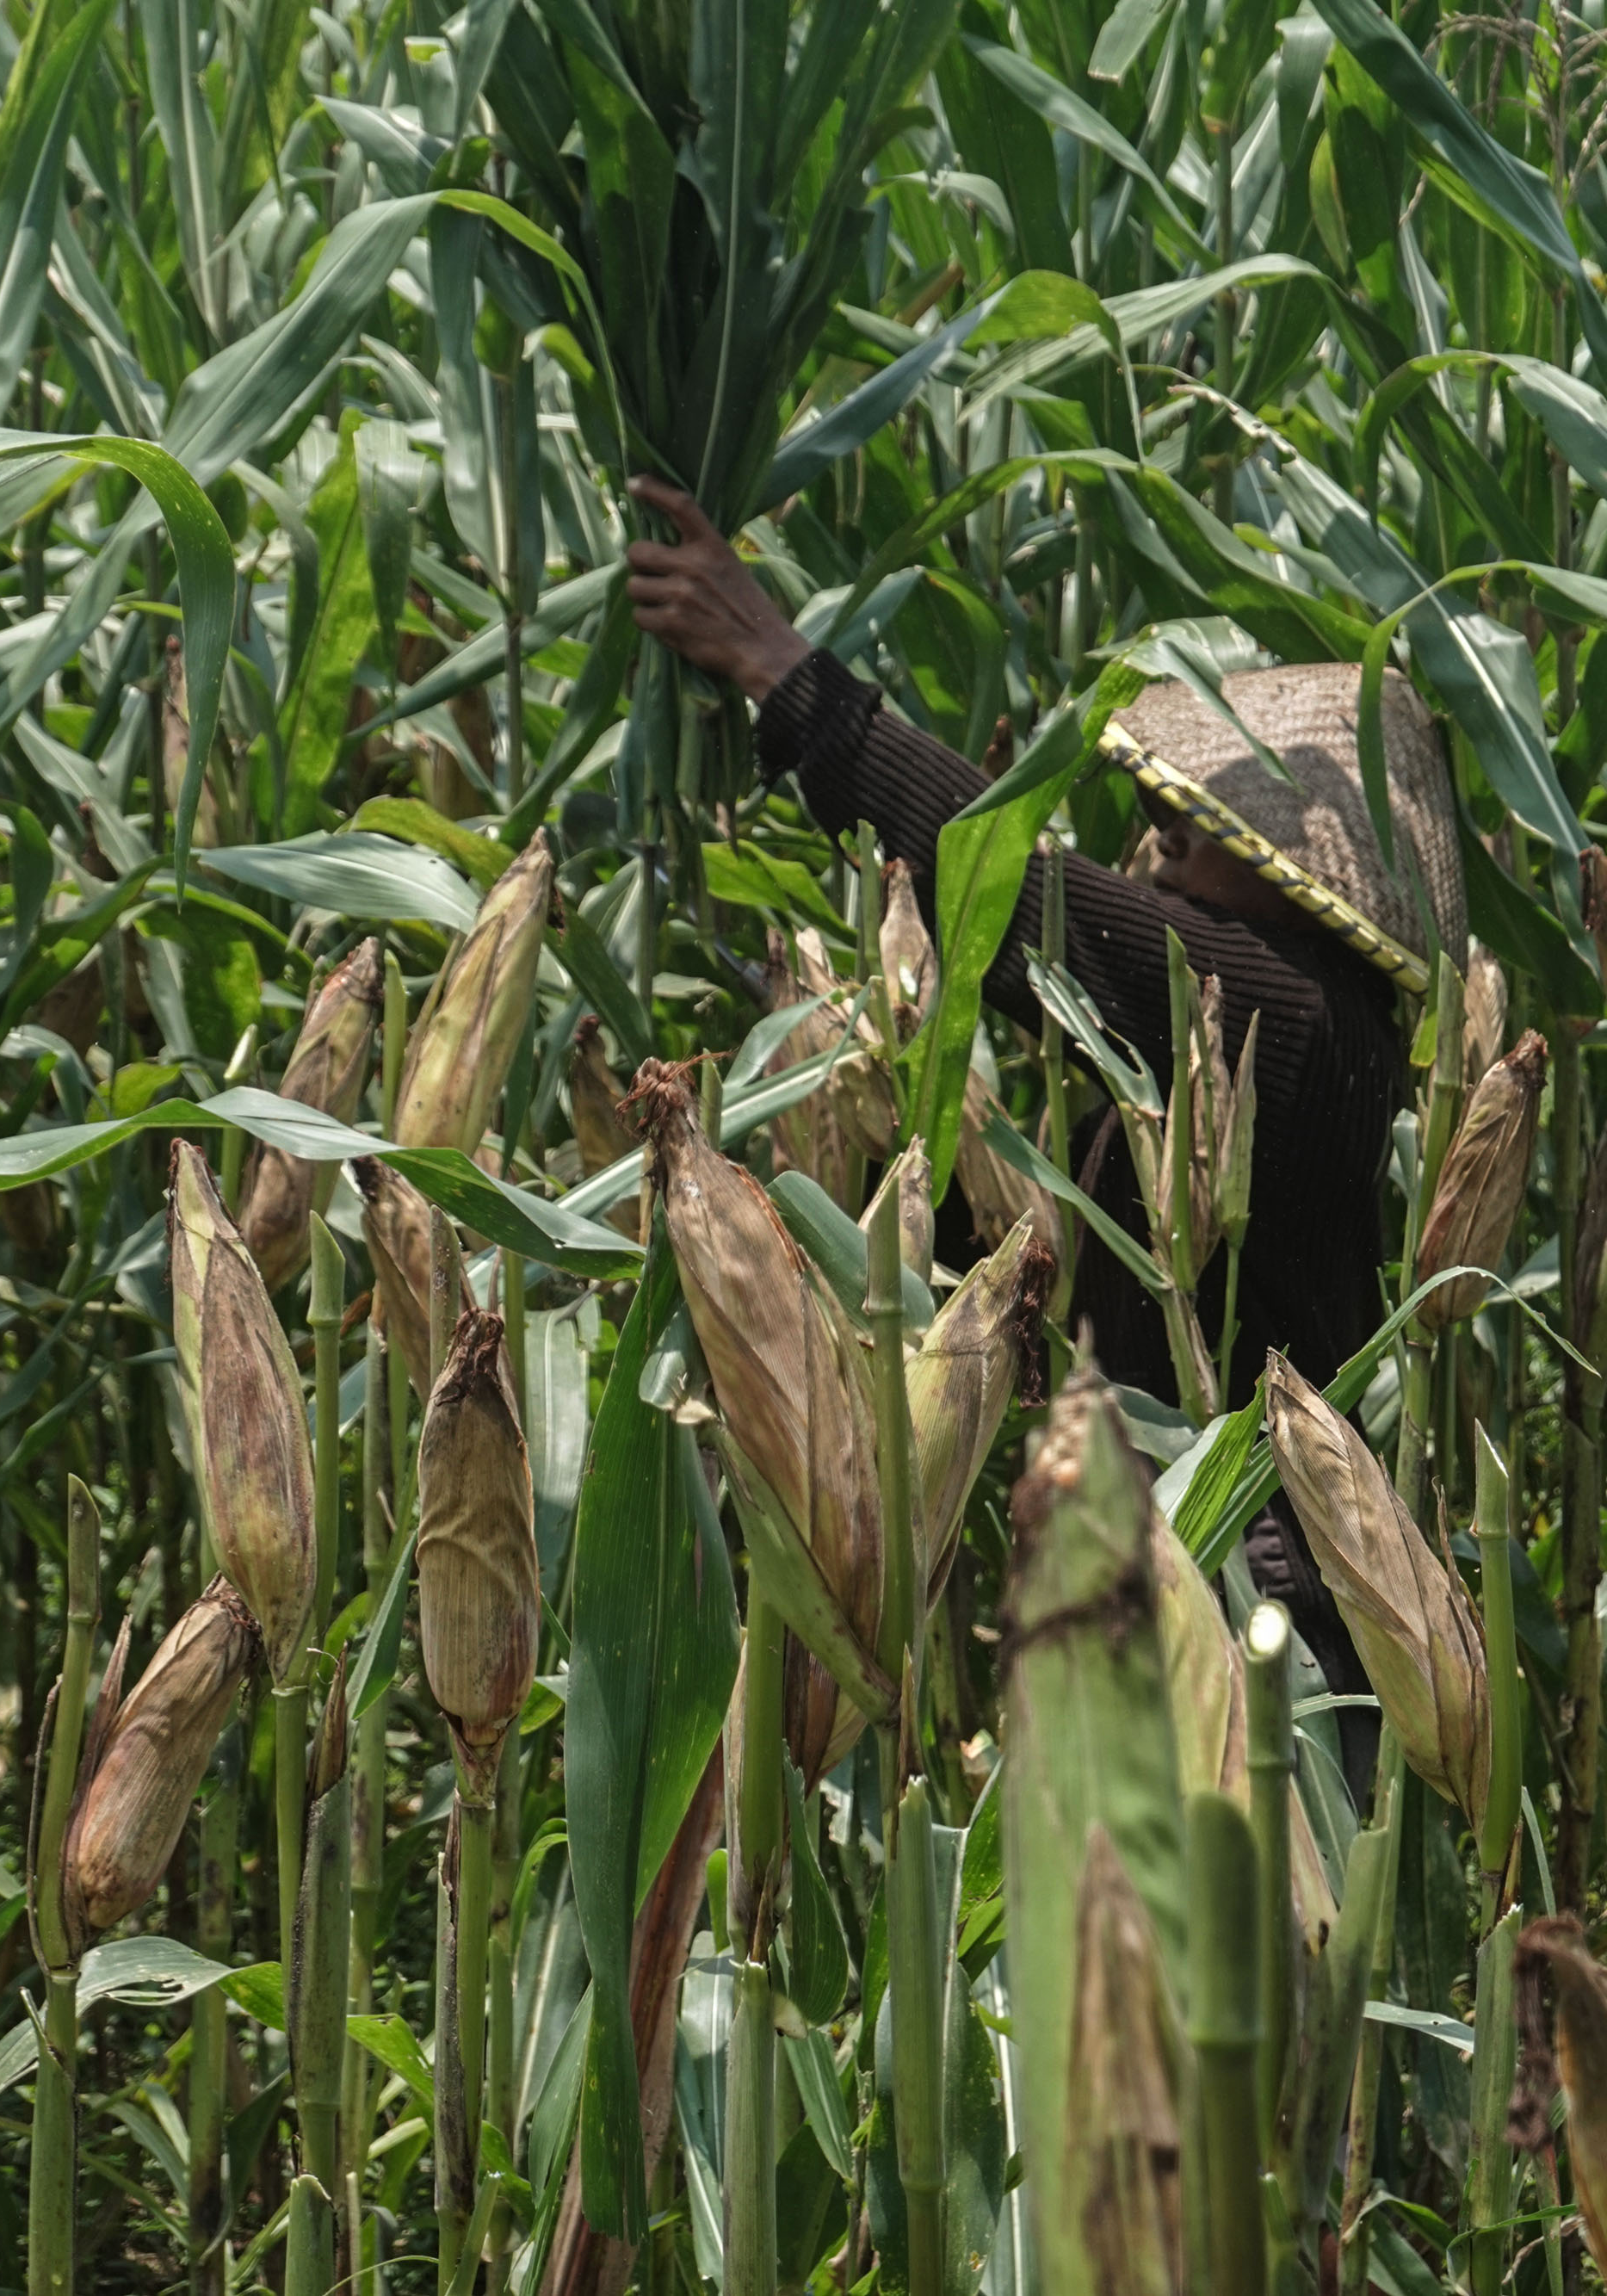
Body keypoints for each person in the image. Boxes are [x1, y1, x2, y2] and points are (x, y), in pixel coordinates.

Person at [626, 474, 1462, 1767]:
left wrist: (786, 674)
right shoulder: (1220, 1061)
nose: (1165, 836)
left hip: (1258, 1627)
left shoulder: (1282, 1018)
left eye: (1210, 819)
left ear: (1321, 862)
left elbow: (1019, 890)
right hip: (1156, 1591)